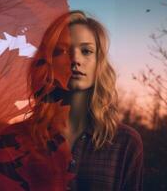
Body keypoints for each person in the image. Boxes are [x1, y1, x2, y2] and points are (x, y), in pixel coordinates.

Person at [27, 10, 144, 190]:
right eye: (61, 51)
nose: (75, 59)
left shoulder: (125, 142)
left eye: (86, 51)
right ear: (48, 62)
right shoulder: (16, 139)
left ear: (99, 63)